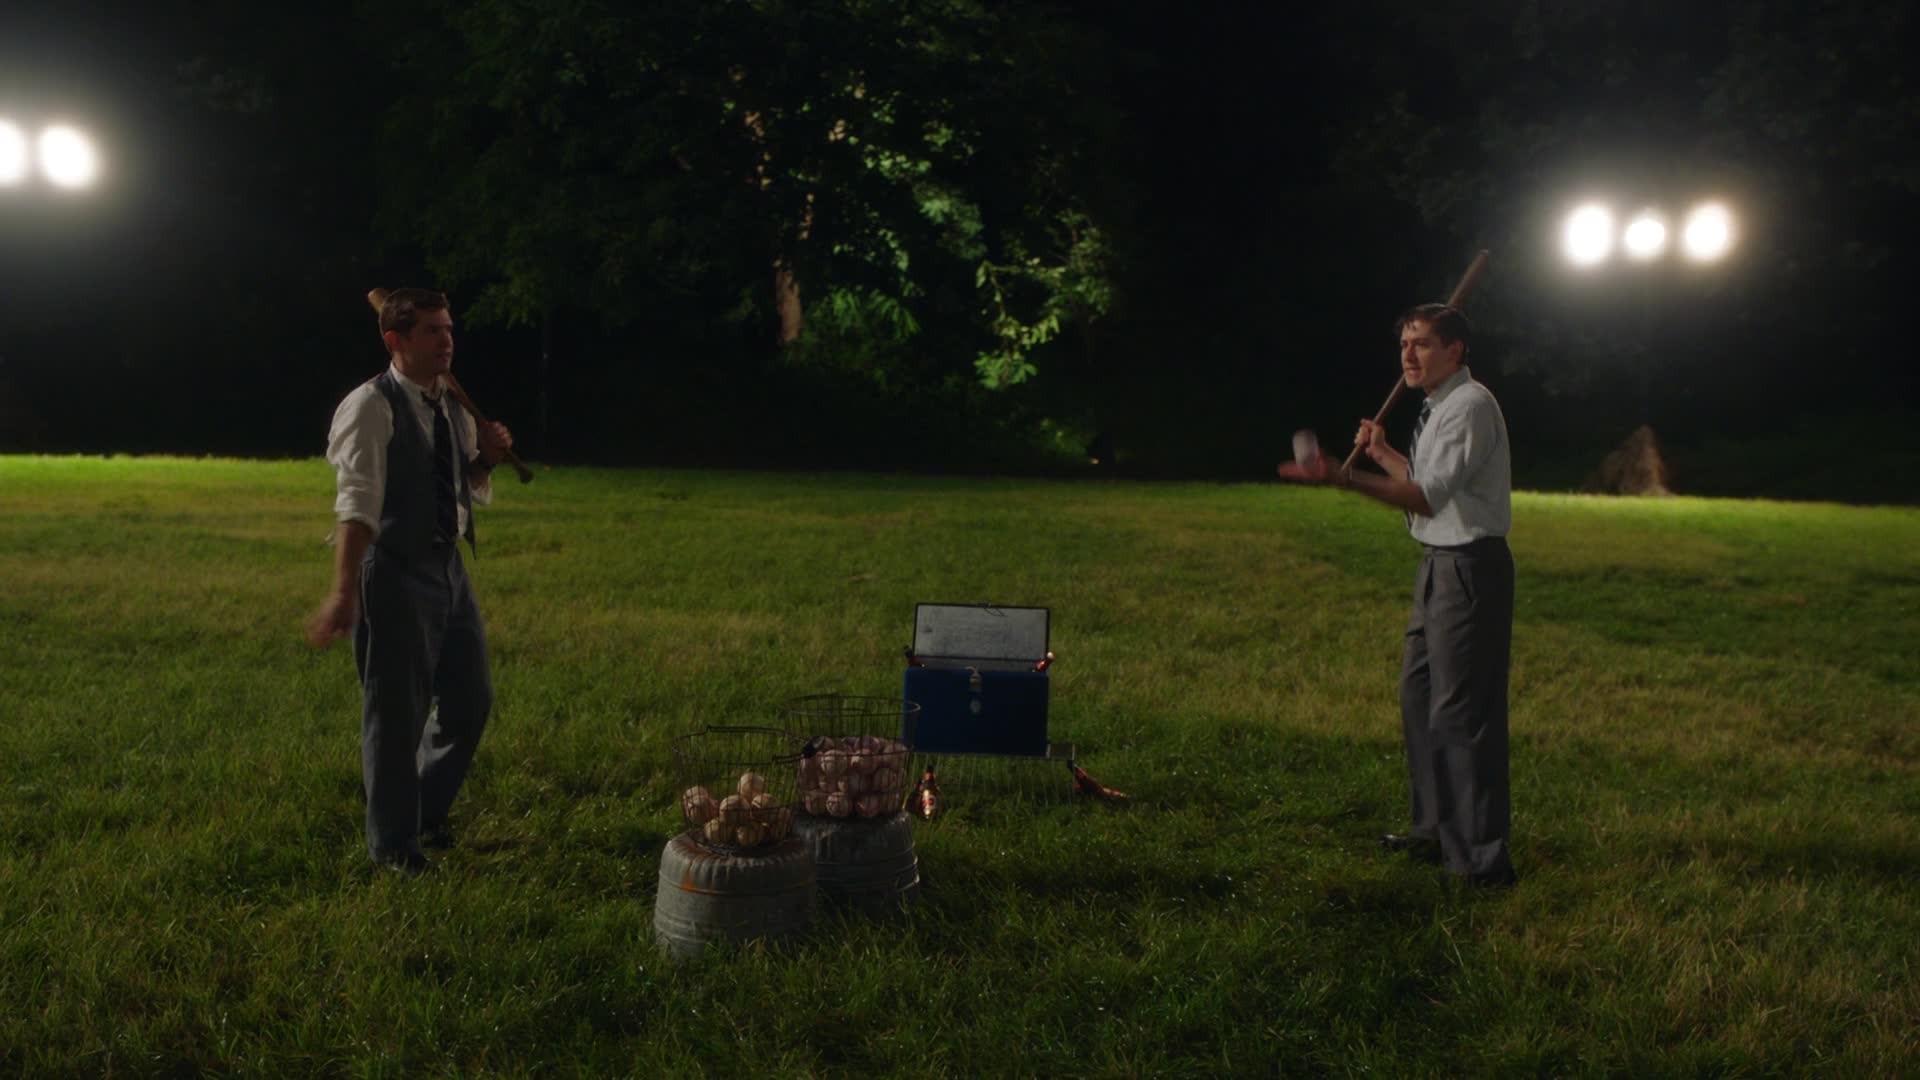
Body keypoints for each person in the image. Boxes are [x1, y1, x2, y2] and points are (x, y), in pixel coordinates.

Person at [1279, 303, 1517, 887]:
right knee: (1420, 696)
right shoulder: (1440, 407)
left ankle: (1479, 862)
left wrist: (1344, 477)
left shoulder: (1470, 405)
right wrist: (1383, 454)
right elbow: (1428, 480)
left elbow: (1428, 498)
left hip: (1470, 567)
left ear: (1455, 350)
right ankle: (1433, 831)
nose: (1409, 355)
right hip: (1438, 564)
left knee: (1461, 714)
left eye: (1423, 343)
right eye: (1405, 344)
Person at [305, 288, 514, 876]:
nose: (447, 341)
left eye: (449, 329)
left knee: (470, 700)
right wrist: (343, 591)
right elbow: (357, 507)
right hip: (394, 571)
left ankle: (421, 808)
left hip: (449, 568)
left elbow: (458, 482)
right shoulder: (370, 408)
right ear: (395, 340)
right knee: (396, 716)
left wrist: (487, 458)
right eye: (431, 331)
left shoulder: (450, 404)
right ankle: (394, 846)